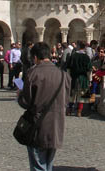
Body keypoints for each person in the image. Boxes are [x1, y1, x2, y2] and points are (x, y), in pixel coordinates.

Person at [17, 42, 70, 171]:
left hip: (38, 126)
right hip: (57, 125)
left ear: (35, 57)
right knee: (48, 164)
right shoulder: (64, 75)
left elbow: (26, 102)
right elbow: (66, 100)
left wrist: (19, 94)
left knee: (38, 165)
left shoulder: (33, 73)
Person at [67, 41, 92, 117]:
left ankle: (69, 110)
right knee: (81, 95)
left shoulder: (73, 56)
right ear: (84, 48)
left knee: (72, 94)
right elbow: (89, 70)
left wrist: (68, 77)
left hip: (73, 77)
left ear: (78, 46)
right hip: (83, 78)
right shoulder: (86, 57)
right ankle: (79, 112)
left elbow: (69, 68)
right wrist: (90, 79)